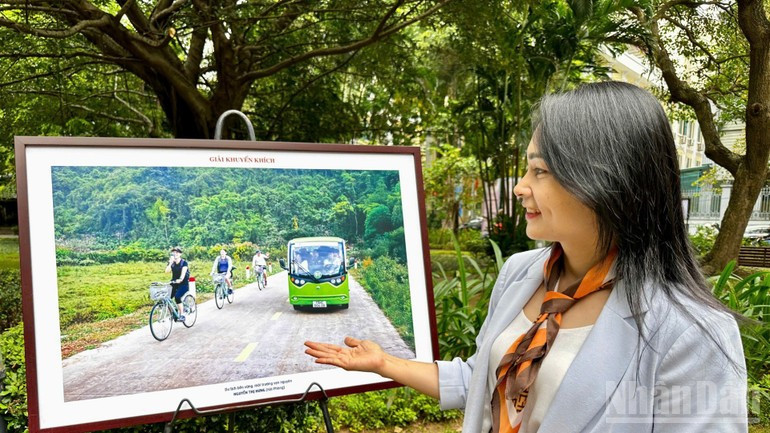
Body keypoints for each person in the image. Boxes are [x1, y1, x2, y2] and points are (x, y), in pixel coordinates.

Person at [305, 82, 748, 432]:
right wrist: (384, 363)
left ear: (606, 182)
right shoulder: (522, 274)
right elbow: (484, 380)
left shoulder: (691, 333)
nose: (520, 187)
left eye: (540, 171)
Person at [165, 246, 189, 321]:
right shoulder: (172, 263)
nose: (175, 254)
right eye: (174, 252)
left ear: (180, 254)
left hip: (183, 284)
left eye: (177, 252)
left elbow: (183, 274)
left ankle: (182, 315)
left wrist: (180, 279)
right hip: (174, 283)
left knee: (177, 297)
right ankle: (173, 312)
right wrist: (170, 263)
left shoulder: (184, 263)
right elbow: (166, 271)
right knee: (167, 297)